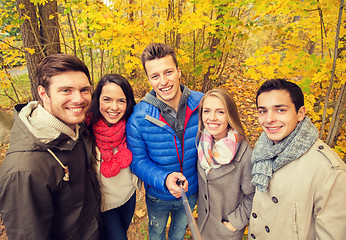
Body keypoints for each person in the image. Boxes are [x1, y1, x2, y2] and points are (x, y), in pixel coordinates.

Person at [0, 54, 101, 239]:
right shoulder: (24, 170)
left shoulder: (76, 130)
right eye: (66, 90)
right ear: (43, 93)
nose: (79, 99)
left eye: (84, 89)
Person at [248, 79, 346, 239]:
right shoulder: (262, 152)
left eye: (280, 110)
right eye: (263, 111)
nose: (269, 119)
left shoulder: (329, 171)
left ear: (300, 113)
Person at [126, 43, 203, 240]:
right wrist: (164, 178)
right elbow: (137, 161)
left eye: (168, 72)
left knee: (177, 233)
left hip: (192, 190)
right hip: (158, 195)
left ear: (178, 71)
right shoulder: (138, 117)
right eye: (155, 76)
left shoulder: (203, 104)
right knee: (157, 233)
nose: (163, 81)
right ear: (149, 79)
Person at [197, 88, 254, 239]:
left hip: (225, 232)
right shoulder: (202, 144)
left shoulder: (244, 154)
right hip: (203, 227)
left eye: (220, 112)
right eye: (207, 111)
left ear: (230, 115)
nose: (212, 118)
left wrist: (233, 223)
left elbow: (254, 196)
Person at [86, 74, 138, 240]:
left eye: (121, 101)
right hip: (104, 205)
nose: (114, 107)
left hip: (128, 197)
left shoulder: (132, 126)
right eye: (107, 99)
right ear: (98, 100)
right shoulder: (85, 130)